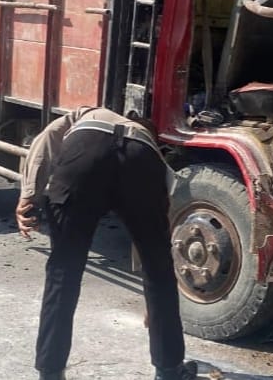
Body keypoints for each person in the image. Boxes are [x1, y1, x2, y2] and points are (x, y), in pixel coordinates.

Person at [16, 106, 197, 380]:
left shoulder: (88, 113)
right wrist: (155, 299)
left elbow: (47, 138)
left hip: (84, 154)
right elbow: (158, 230)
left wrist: (29, 194)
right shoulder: (149, 145)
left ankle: (50, 372)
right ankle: (169, 370)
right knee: (159, 270)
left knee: (63, 272)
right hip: (141, 161)